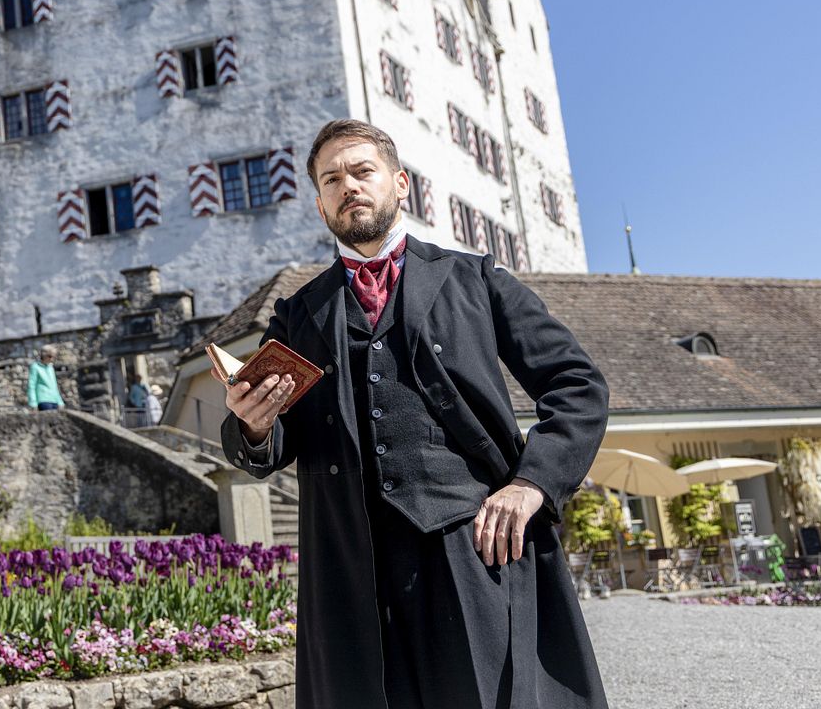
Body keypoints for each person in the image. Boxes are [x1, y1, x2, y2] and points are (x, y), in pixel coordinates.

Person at [221, 119, 610, 709]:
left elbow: (576, 384)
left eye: (362, 171)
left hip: (473, 549)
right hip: (352, 564)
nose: (348, 186)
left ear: (400, 184)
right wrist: (254, 424)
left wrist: (532, 484)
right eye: (331, 179)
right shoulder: (297, 314)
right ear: (320, 204)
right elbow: (271, 442)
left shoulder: (475, 279)